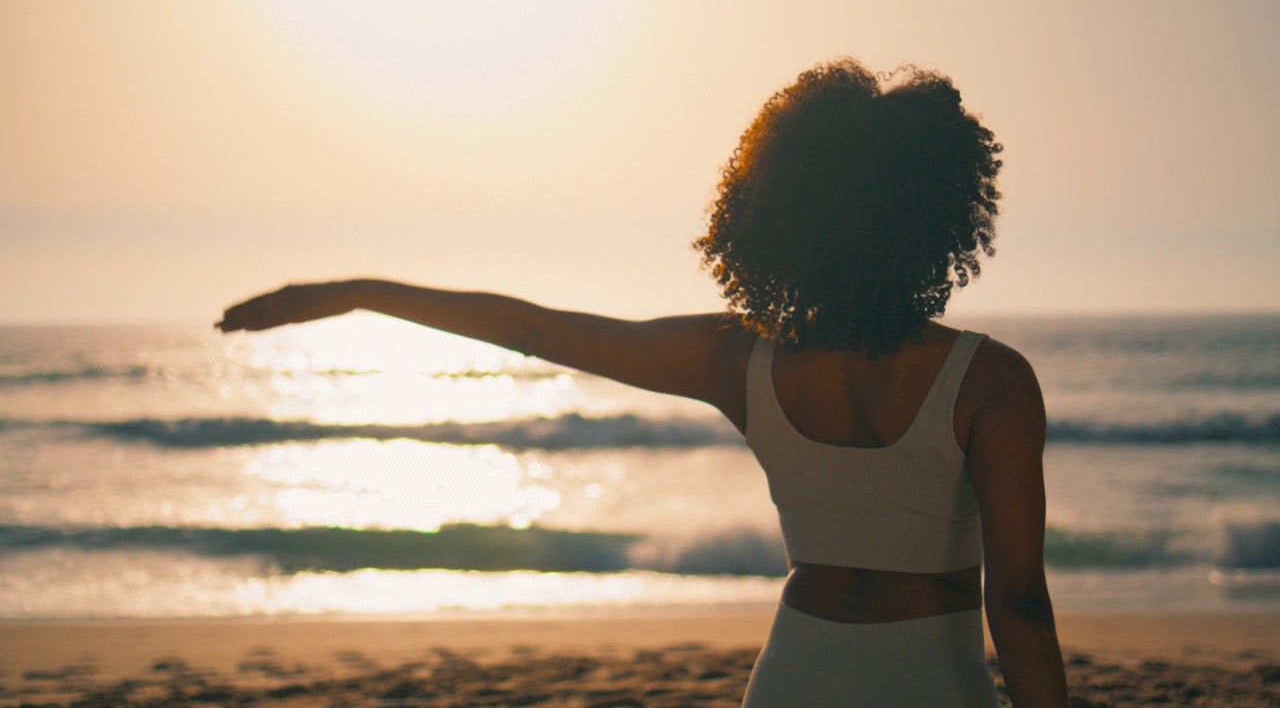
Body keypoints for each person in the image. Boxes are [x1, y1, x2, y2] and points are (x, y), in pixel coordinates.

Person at [217, 58, 1068, 706]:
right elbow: (1019, 604)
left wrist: (351, 295)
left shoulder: (741, 360)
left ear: (785, 215)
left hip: (794, 674)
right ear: (940, 214)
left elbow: (533, 329)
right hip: (933, 681)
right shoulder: (990, 381)